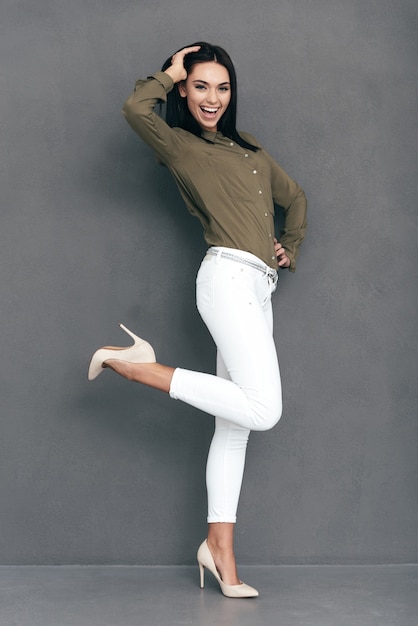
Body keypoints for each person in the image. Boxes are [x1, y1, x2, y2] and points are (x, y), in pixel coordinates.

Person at [88, 42, 307, 598]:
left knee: (234, 429)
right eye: (200, 85)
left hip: (259, 286)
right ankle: (141, 368)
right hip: (226, 278)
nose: (213, 98)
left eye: (223, 87)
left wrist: (291, 244)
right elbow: (137, 110)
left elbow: (296, 197)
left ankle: (220, 553)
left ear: (232, 93)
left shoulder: (251, 150)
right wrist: (168, 72)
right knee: (265, 409)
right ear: (185, 90)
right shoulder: (180, 145)